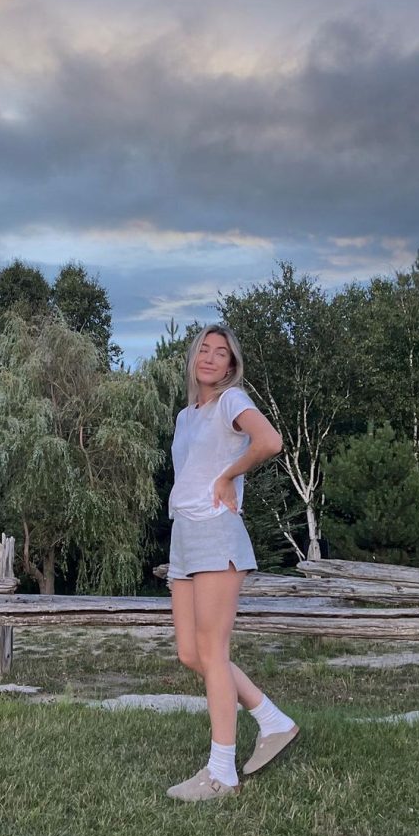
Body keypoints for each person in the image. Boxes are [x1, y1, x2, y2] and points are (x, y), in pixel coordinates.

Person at [165, 324, 299, 802]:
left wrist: (228, 477)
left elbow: (270, 442)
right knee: (191, 654)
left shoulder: (231, 401)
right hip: (184, 534)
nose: (210, 357)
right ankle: (272, 720)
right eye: (204, 348)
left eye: (220, 353)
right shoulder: (186, 416)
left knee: (214, 653)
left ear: (230, 366)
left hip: (216, 532)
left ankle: (221, 772)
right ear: (194, 358)